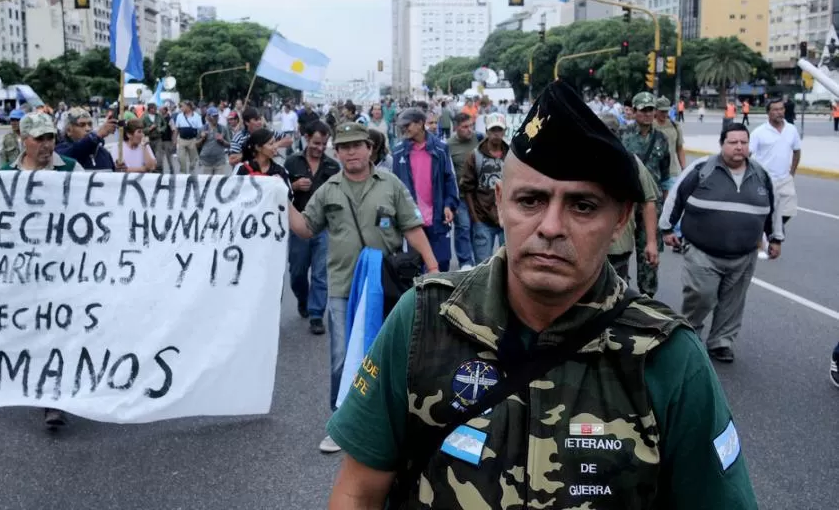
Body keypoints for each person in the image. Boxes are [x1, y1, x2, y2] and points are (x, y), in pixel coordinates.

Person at [325, 82, 759, 509]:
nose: (550, 226)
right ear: (500, 203)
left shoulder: (667, 356)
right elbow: (359, 491)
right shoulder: (424, 320)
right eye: (530, 201)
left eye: (583, 206)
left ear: (620, 217)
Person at [286, 122, 438, 455]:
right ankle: (342, 422)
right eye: (344, 147)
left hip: (385, 286)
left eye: (358, 145)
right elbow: (306, 229)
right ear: (336, 152)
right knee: (342, 354)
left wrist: (433, 267)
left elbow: (411, 227)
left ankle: (387, 419)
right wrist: (278, 200)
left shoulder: (391, 185)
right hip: (342, 287)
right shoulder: (329, 190)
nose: (352, 152)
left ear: (370, 149)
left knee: (387, 352)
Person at [660, 122, 783, 364]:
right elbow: (676, 198)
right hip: (702, 253)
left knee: (733, 303)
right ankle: (690, 336)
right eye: (733, 142)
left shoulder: (761, 175)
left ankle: (721, 343)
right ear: (722, 144)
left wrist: (776, 238)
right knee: (702, 296)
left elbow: (773, 210)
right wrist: (666, 228)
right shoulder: (701, 169)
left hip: (744, 255)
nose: (739, 147)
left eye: (743, 142)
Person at [0, 113, 82, 429]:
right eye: (40, 138)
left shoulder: (71, 169)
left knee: (58, 331)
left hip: (66, 267)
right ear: (24, 139)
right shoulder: (6, 174)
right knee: (36, 330)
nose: (47, 144)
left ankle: (54, 399)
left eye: (51, 137)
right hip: (25, 269)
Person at [284, 121, 340, 333]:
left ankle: (317, 314)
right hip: (298, 226)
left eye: (324, 144)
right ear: (306, 138)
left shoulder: (333, 166)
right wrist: (294, 186)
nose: (319, 148)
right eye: (316, 143)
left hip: (323, 227)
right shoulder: (291, 162)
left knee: (320, 273)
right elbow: (278, 190)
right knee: (297, 272)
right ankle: (302, 298)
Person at [392, 108, 459, 272]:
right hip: (412, 221)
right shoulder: (398, 151)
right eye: (402, 126)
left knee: (441, 266)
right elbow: (395, 187)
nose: (404, 129)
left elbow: (449, 179)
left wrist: (449, 205)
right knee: (415, 268)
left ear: (421, 123)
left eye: (408, 125)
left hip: (438, 218)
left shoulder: (441, 148)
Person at [601, 114, 661, 283]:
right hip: (588, 247)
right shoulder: (579, 162)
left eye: (611, 132)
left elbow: (648, 202)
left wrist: (651, 242)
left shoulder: (631, 162)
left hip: (618, 248)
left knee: (616, 298)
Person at [620, 92, 669, 297]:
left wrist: (666, 201)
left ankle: (647, 297)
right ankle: (620, 293)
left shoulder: (661, 139)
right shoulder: (623, 135)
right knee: (620, 252)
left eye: (651, 110)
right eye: (643, 110)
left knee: (649, 252)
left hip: (651, 204)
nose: (648, 114)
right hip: (627, 202)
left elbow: (664, 171)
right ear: (635, 111)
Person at [749, 98, 801, 259]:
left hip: (784, 179)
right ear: (768, 113)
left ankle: (768, 233)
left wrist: (792, 172)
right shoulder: (759, 132)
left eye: (781, 109)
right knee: (764, 213)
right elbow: (748, 154)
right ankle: (763, 242)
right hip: (765, 180)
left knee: (788, 212)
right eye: (775, 109)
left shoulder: (791, 129)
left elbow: (797, 151)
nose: (780, 112)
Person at [459, 113, 509, 264]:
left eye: (499, 130)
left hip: (506, 219)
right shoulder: (475, 156)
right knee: (483, 266)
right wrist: (474, 217)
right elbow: (467, 187)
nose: (496, 134)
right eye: (493, 130)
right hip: (482, 219)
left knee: (509, 263)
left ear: (504, 132)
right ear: (487, 131)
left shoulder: (512, 155)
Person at [445, 112, 479, 270]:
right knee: (463, 228)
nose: (469, 130)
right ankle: (465, 263)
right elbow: (446, 173)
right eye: (465, 127)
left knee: (477, 229)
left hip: (479, 196)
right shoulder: (448, 145)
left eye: (471, 126)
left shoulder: (479, 138)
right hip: (460, 197)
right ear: (456, 128)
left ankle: (479, 262)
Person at [234, 128, 292, 195]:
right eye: (271, 144)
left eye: (275, 142)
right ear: (258, 147)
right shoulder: (242, 169)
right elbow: (235, 196)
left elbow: (287, 197)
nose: (275, 146)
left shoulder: (280, 170)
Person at [197, 106, 230, 175]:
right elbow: (196, 144)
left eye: (217, 116)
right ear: (208, 117)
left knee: (218, 183)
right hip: (205, 161)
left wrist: (222, 140)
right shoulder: (202, 129)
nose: (216, 118)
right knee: (206, 184)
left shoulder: (223, 128)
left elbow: (229, 144)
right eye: (214, 116)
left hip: (219, 161)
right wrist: (202, 138)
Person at [173, 100, 202, 174]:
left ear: (188, 107)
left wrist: (198, 140)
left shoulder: (197, 116)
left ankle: (191, 172)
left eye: (182, 106)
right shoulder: (179, 116)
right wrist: (175, 139)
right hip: (182, 140)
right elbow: (176, 128)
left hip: (192, 140)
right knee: (181, 158)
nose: (181, 108)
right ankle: (183, 173)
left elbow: (200, 129)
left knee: (193, 160)